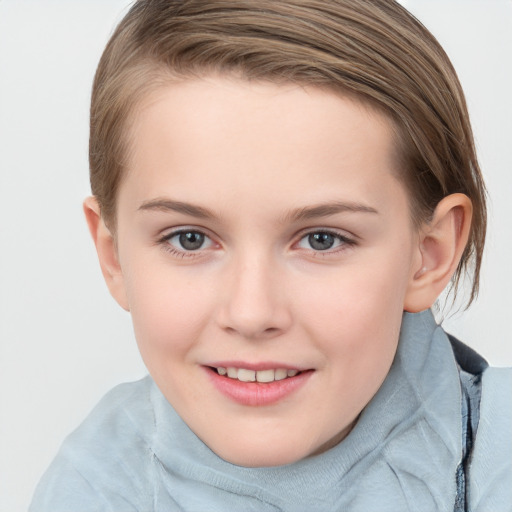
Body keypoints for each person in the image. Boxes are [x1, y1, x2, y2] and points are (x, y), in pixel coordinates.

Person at [29, 0, 511, 510]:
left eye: (322, 239)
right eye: (189, 238)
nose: (252, 313)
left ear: (429, 254)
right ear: (115, 256)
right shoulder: (88, 488)